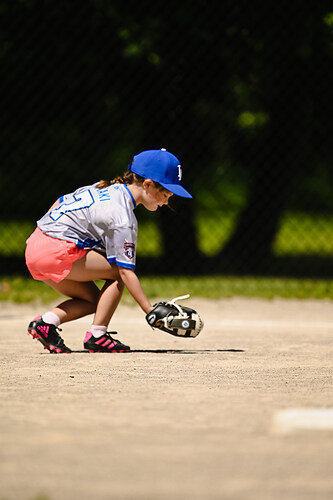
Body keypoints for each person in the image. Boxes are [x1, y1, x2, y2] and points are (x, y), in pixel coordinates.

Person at [25, 148, 192, 353]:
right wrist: (149, 311)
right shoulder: (123, 218)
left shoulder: (103, 188)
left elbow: (60, 201)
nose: (166, 201)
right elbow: (125, 272)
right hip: (55, 251)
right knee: (118, 272)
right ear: (148, 184)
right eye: (165, 193)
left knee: (93, 301)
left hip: (36, 245)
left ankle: (45, 324)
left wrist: (48, 235)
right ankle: (98, 335)